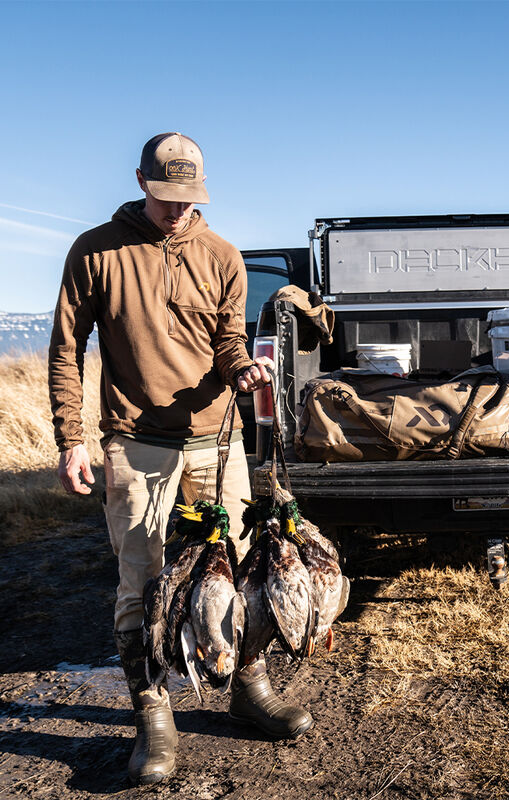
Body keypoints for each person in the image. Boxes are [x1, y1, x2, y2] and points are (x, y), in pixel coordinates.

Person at [48, 132, 312, 786]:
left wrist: (241, 368)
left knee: (243, 574)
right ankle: (153, 714)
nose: (176, 211)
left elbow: (227, 338)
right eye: (165, 198)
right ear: (141, 180)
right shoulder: (95, 251)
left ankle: (249, 685)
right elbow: (64, 349)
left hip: (215, 439)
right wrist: (69, 440)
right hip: (133, 442)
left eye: (188, 199)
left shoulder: (222, 255)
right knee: (143, 580)